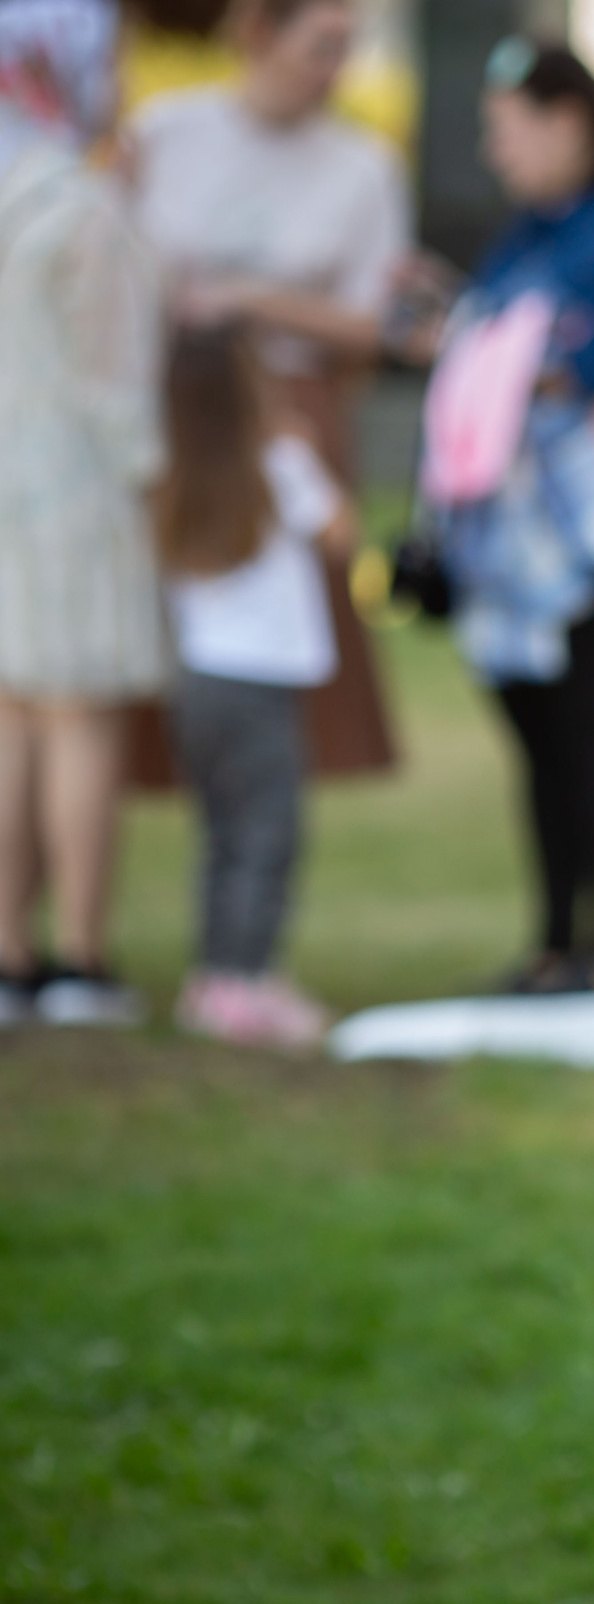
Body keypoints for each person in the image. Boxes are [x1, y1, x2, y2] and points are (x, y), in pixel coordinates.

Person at [131, 0, 411, 780]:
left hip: (291, 408)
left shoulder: (363, 165)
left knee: (287, 618)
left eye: (345, 49)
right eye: (319, 46)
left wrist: (249, 299)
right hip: (177, 412)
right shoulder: (164, 132)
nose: (333, 70)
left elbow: (375, 322)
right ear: (259, 34)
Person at [444, 38, 594, 994]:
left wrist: (478, 342)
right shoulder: (523, 236)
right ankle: (552, 940)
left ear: (567, 122)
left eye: (509, 132)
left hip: (592, 535)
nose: (500, 155)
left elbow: (587, 366)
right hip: (512, 539)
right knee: (535, 731)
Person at [0, 0, 164, 1029]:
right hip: (74, 496)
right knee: (78, 719)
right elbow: (118, 388)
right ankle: (80, 956)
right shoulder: (87, 211)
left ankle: (12, 952)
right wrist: (155, 481)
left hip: (8, 488)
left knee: (14, 720)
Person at [154, 322, 349, 1049]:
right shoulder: (279, 459)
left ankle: (214, 975)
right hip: (259, 682)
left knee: (220, 834)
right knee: (269, 832)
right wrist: (307, 443)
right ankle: (248, 982)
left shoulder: (171, 469)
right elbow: (339, 532)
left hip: (198, 679)